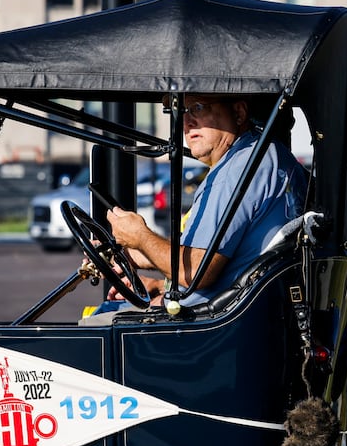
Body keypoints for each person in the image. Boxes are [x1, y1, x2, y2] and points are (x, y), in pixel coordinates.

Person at [103, 94, 307, 305]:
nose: (187, 123)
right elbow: (220, 257)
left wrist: (141, 237)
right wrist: (136, 255)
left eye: (198, 108)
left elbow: (195, 271)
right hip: (245, 311)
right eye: (181, 111)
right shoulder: (264, 155)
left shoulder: (234, 172)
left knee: (97, 319)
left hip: (213, 323)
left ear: (239, 112)